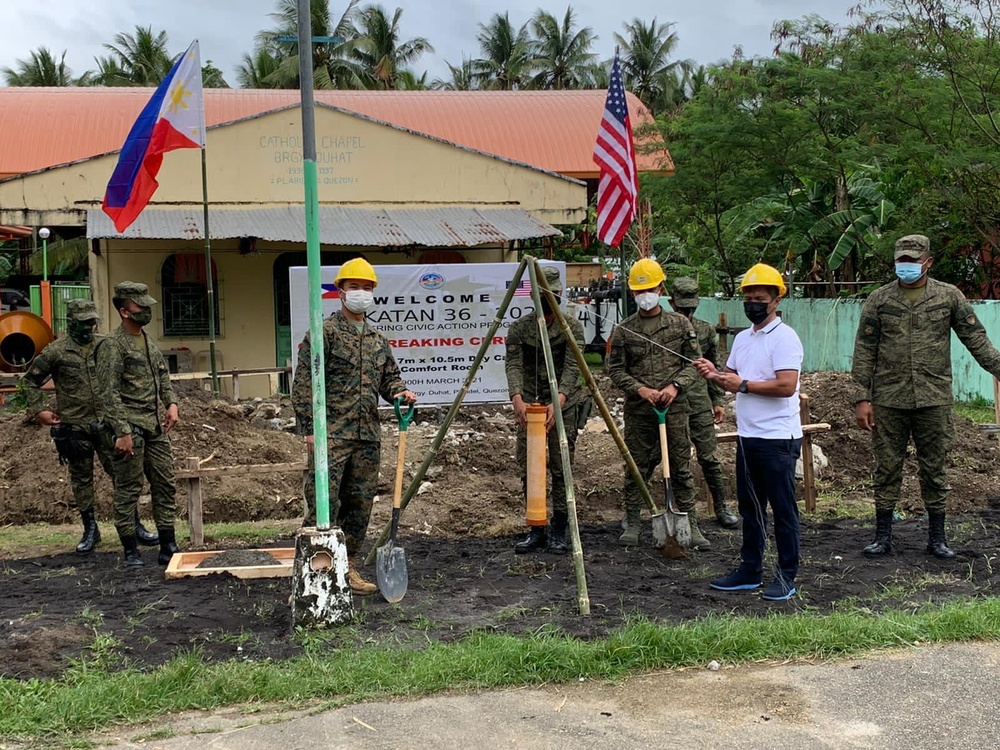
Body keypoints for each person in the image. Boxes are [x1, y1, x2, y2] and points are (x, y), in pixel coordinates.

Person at [852, 234, 1000, 560]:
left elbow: (976, 339)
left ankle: (937, 539)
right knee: (887, 468)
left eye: (913, 261)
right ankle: (882, 536)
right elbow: (864, 351)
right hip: (889, 398)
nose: (906, 266)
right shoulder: (879, 300)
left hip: (934, 398)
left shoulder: (949, 297)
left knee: (934, 468)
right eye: (901, 261)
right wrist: (862, 398)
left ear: (928, 262)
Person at [291, 257, 416, 596]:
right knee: (323, 506)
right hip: (331, 436)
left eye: (366, 288)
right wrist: (308, 430)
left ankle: (348, 569)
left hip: (366, 437)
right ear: (340, 291)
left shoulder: (377, 339)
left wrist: (400, 393)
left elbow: (389, 379)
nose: (360, 293)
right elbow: (304, 384)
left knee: (359, 507)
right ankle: (309, 576)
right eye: (354, 287)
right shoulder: (324, 334)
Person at [694, 263, 804, 601]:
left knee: (783, 510)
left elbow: (786, 386)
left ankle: (787, 574)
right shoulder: (743, 338)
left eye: (759, 298)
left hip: (778, 440)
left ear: (775, 301)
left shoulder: (786, 338)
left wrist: (741, 385)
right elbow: (731, 376)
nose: (752, 303)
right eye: (748, 297)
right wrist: (714, 374)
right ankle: (750, 569)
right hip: (748, 437)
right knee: (750, 508)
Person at [21, 299, 139, 554]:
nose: (89, 327)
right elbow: (30, 382)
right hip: (76, 427)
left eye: (92, 321)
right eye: (83, 322)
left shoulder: (106, 346)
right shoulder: (56, 351)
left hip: (108, 424)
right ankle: (90, 530)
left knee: (123, 475)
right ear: (71, 322)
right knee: (82, 480)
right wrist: (39, 410)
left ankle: (133, 525)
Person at [608, 258, 708, 549]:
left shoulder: (680, 324)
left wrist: (674, 387)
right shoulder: (625, 329)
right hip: (640, 410)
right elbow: (615, 369)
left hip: (674, 409)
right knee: (636, 466)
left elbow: (695, 363)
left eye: (650, 289)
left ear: (661, 288)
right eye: (639, 291)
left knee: (680, 466)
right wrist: (640, 389)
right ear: (632, 293)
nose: (645, 295)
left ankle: (690, 523)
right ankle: (633, 522)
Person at [504, 265, 587, 555]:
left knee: (560, 467)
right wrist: (516, 397)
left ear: (560, 294)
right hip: (530, 407)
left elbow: (573, 367)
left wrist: (559, 399)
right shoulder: (521, 328)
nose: (547, 298)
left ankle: (561, 529)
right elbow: (513, 364)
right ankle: (536, 528)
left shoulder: (571, 327)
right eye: (541, 293)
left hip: (563, 406)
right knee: (529, 467)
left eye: (551, 293)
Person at [99, 282, 181, 568]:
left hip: (153, 425)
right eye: (140, 307)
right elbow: (107, 393)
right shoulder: (113, 345)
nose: (146, 311)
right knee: (128, 489)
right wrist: (121, 431)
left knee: (164, 483)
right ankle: (131, 551)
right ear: (124, 311)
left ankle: (168, 544)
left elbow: (162, 374)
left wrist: (171, 403)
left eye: (148, 306)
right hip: (129, 426)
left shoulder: (147, 341)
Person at [668, 276, 740, 529]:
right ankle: (671, 511)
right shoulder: (664, 329)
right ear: (671, 303)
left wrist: (717, 400)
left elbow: (714, 367)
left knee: (709, 458)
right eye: (682, 307)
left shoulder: (707, 329)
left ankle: (721, 507)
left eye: (691, 307)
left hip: (699, 403)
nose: (687, 312)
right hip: (672, 403)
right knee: (669, 459)